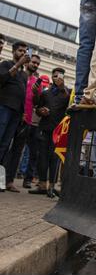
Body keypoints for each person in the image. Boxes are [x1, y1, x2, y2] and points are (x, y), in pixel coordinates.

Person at [29, 68, 70, 197]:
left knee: (54, 158)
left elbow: (68, 102)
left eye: (59, 75)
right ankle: (42, 185)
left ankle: (51, 186)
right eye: (55, 75)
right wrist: (41, 111)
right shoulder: (46, 93)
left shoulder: (67, 92)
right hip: (44, 128)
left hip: (57, 131)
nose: (57, 77)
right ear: (52, 77)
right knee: (42, 157)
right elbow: (37, 108)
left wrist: (62, 87)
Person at [5, 54, 41, 192]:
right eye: (33, 62)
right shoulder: (19, 76)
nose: (35, 65)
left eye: (38, 63)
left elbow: (37, 104)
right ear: (27, 62)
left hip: (26, 122)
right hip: (12, 117)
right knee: (4, 147)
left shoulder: (37, 82)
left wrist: (36, 93)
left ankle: (9, 181)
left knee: (17, 152)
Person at [0, 42, 29, 164]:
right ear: (13, 51)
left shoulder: (23, 74)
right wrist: (18, 64)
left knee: (6, 143)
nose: (23, 53)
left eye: (25, 51)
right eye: (20, 50)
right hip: (4, 107)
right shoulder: (6, 64)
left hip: (16, 112)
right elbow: (2, 79)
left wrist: (22, 112)